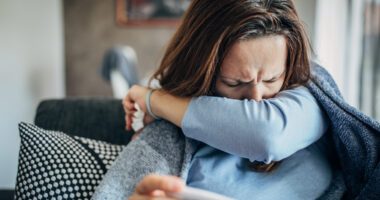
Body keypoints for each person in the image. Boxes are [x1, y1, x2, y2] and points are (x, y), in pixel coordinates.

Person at [92, 0, 380, 199]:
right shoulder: (165, 138)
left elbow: (266, 136)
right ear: (202, 71)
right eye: (234, 83)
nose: (256, 98)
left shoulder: (309, 97)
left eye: (270, 80)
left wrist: (154, 99)